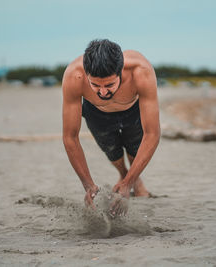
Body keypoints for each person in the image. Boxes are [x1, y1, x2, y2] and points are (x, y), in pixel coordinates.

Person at [62, 39, 160, 216]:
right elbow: (70, 137)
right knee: (112, 151)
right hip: (96, 112)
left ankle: (132, 180)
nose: (103, 92)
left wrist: (127, 184)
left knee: (133, 148)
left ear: (121, 71)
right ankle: (124, 174)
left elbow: (152, 134)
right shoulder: (74, 75)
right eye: (95, 85)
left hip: (132, 109)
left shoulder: (141, 71)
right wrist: (88, 185)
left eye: (109, 84)